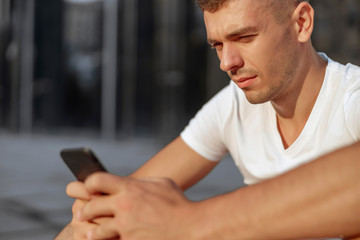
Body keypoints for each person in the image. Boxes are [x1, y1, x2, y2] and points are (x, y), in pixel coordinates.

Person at [56, 0, 360, 239]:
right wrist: (94, 219)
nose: (228, 62)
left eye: (244, 37)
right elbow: (134, 193)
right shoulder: (235, 104)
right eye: (217, 45)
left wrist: (190, 222)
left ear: (302, 23)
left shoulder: (352, 98)